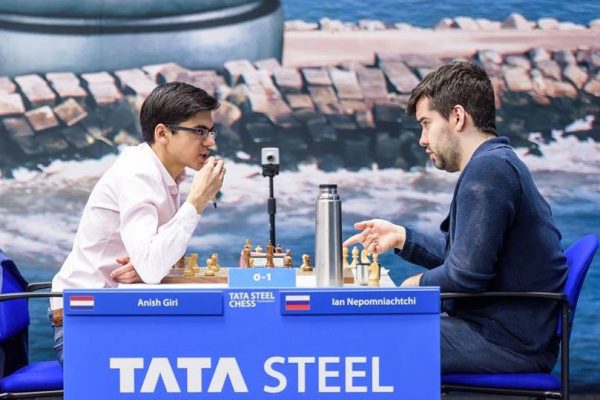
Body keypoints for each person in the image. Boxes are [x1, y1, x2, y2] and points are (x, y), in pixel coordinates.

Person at [344, 61, 567, 374]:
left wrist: (412, 285)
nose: (422, 139)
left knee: (357, 336)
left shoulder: (488, 172)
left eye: (426, 123)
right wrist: (402, 238)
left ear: (458, 117)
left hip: (505, 342)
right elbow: (465, 258)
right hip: (507, 332)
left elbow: (467, 276)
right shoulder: (496, 163)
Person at [49, 82, 225, 365]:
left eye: (211, 131)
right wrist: (197, 201)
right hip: (86, 324)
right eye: (199, 131)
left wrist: (146, 265)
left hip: (114, 314)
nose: (210, 142)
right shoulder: (139, 175)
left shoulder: (163, 174)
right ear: (163, 133)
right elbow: (154, 266)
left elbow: (151, 263)